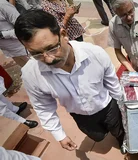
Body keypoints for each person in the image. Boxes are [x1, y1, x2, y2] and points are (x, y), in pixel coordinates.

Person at [14, 10, 126, 154]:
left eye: (52, 48)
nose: (48, 59)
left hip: (108, 106)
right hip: (80, 116)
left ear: (63, 35)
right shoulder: (31, 74)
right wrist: (60, 135)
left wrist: (123, 106)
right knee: (97, 137)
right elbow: (43, 107)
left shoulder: (95, 54)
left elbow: (113, 84)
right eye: (36, 54)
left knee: (119, 130)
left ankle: (123, 141)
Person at [0, 0, 29, 67]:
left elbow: (24, 27)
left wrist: (3, 34)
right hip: (11, 52)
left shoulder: (2, 4)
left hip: (24, 50)